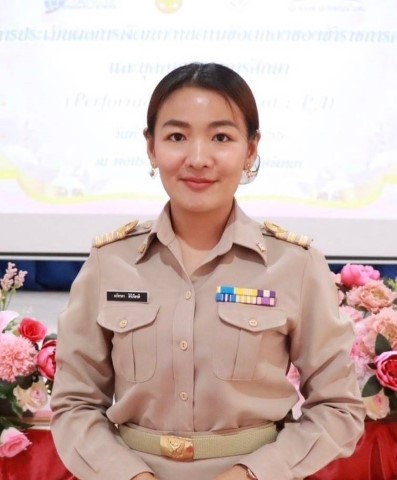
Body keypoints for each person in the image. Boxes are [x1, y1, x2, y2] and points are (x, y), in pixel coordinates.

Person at [50, 62, 365, 480]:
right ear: (151, 147)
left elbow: (338, 407)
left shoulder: (294, 264)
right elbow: (74, 404)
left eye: (221, 137)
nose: (198, 159)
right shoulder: (111, 261)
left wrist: (253, 474)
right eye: (177, 137)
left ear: (250, 149)